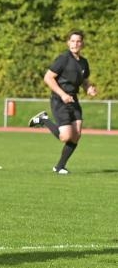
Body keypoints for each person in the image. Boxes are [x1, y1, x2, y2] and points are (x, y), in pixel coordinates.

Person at [28, 29, 97, 174]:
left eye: (78, 41)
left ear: (82, 44)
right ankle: (43, 119)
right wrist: (62, 94)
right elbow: (48, 77)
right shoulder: (63, 59)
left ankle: (59, 167)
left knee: (76, 135)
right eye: (72, 41)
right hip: (59, 99)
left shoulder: (84, 62)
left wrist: (89, 88)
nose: (75, 44)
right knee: (65, 136)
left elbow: (84, 81)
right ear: (68, 43)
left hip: (73, 99)